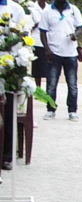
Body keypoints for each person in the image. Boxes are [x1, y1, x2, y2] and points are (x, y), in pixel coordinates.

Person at [39, 0, 82, 122]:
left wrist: (75, 34)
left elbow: (81, 27)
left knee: (72, 84)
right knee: (51, 84)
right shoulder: (47, 11)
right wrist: (47, 50)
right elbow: (42, 32)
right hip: (54, 53)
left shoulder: (73, 10)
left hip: (71, 53)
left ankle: (72, 111)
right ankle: (50, 110)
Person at [0, 0, 26, 171]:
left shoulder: (15, 8)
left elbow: (23, 35)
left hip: (8, 68)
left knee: (8, 113)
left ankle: (6, 156)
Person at [29, 0, 48, 88]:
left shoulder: (50, 8)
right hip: (36, 40)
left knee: (48, 67)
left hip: (48, 41)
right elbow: (30, 25)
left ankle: (49, 89)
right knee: (37, 69)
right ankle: (38, 88)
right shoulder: (32, 8)